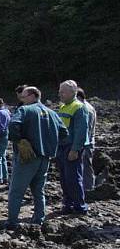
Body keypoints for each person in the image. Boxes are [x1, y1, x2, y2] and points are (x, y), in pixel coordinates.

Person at [6, 87, 67, 229]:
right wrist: (51, 144)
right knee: (39, 190)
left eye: (24, 97)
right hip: (45, 158)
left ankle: (12, 221)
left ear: (33, 96)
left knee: (16, 190)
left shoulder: (25, 110)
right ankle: (39, 218)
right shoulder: (52, 113)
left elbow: (13, 125)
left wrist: (19, 140)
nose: (22, 100)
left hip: (28, 157)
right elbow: (64, 132)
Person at [56, 80, 90, 214]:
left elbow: (81, 131)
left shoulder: (79, 107)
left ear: (72, 92)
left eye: (63, 91)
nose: (60, 94)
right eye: (59, 91)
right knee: (64, 178)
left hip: (71, 147)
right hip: (62, 147)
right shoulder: (63, 106)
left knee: (73, 178)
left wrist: (75, 149)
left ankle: (79, 206)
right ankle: (68, 204)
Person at [76, 88, 97, 191]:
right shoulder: (86, 107)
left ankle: (88, 189)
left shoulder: (85, 109)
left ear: (78, 97)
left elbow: (86, 129)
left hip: (85, 143)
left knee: (85, 166)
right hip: (86, 142)